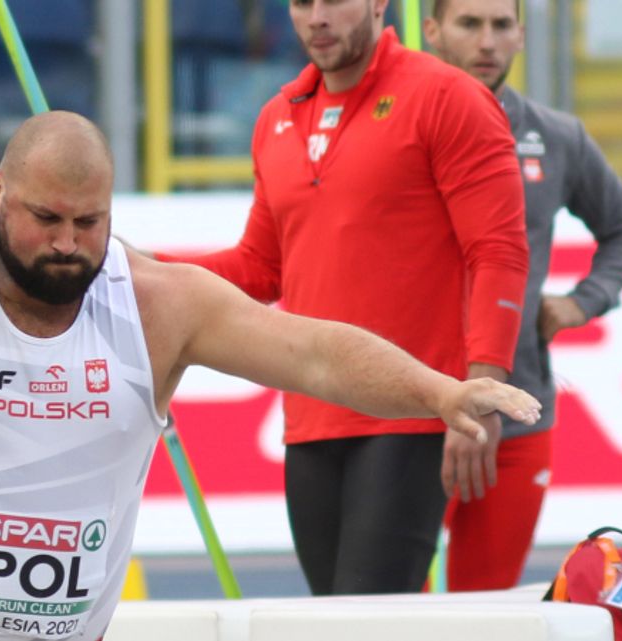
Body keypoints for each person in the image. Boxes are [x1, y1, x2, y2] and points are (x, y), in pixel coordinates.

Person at [0, 111, 541, 641]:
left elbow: (313, 351)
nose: (68, 242)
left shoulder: (155, 304)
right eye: (44, 219)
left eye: (90, 221)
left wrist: (441, 391)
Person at [152, 0, 529, 595]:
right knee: (331, 615)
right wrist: (144, 268)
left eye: (333, 1)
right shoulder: (276, 116)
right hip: (311, 419)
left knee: (367, 618)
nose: (317, 18)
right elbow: (259, 268)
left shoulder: (447, 97)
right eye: (302, 3)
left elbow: (499, 254)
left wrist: (477, 392)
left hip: (413, 409)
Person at [424, 0, 622, 590]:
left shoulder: (556, 137)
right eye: (468, 24)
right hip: (408, 411)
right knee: (391, 615)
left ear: (523, 35)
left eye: (502, 25)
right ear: (431, 30)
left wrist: (584, 300)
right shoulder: (397, 126)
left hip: (516, 415)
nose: (487, 42)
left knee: (488, 609)